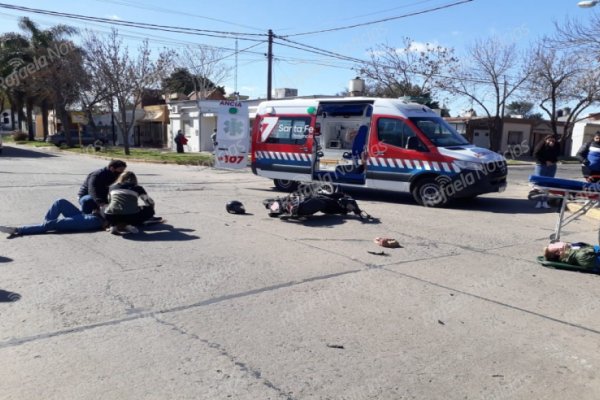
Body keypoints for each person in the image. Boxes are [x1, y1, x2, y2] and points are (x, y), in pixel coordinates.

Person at [0, 199, 107, 238]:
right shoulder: (114, 188)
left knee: (53, 224)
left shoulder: (121, 194)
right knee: (60, 202)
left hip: (94, 221)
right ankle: (44, 225)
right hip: (88, 215)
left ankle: (17, 230)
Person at [533, 135, 560, 208]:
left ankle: (545, 201)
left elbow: (557, 156)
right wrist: (545, 162)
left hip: (552, 166)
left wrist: (552, 162)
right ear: (545, 140)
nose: (551, 142)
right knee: (540, 183)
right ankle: (538, 201)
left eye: (553, 141)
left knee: (548, 184)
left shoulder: (556, 146)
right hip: (541, 165)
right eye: (549, 140)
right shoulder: (541, 146)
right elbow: (536, 155)